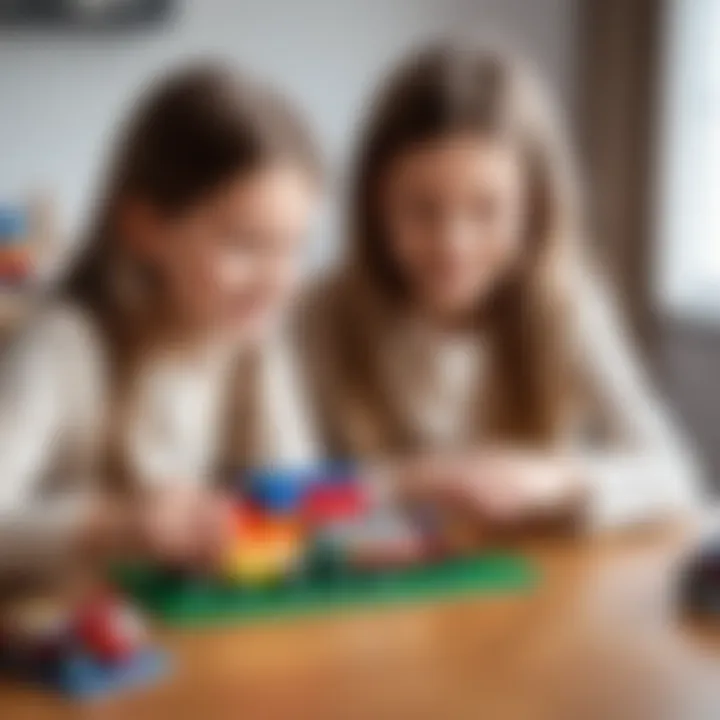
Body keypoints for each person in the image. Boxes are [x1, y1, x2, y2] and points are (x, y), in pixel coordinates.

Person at [299, 42, 702, 533]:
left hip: (536, 592)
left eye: (487, 211)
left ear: (534, 210)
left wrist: (557, 478)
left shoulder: (568, 304)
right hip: (378, 597)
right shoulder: (321, 314)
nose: (453, 244)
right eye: (422, 210)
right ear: (375, 205)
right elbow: (284, 494)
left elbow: (675, 476)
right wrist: (411, 481)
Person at [0, 64, 321, 580]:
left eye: (293, 247)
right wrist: (114, 527)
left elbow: (299, 497)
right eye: (246, 245)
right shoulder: (64, 348)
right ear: (144, 228)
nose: (276, 281)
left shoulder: (251, 335)